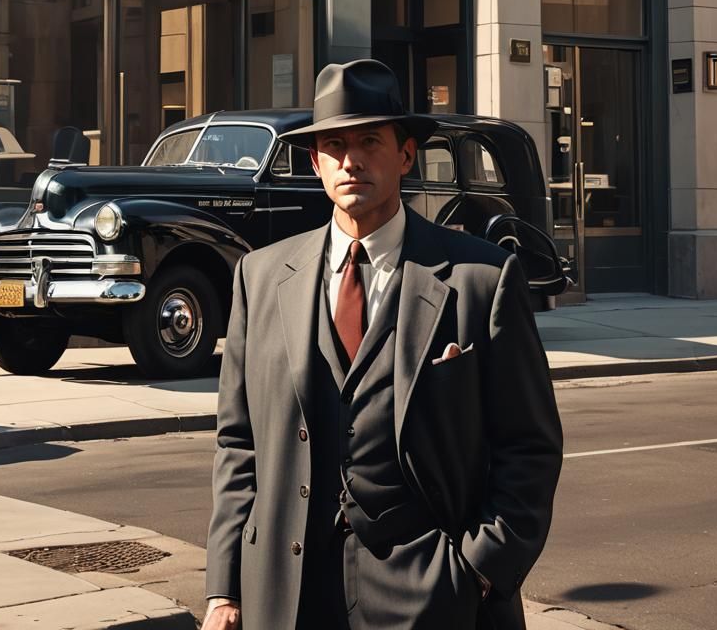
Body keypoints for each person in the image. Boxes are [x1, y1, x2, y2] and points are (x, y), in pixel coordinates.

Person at [204, 59, 562, 630]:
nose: (352, 160)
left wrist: (475, 571)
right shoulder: (260, 277)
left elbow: (530, 447)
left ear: (405, 154)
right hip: (288, 593)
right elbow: (238, 445)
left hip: (432, 597)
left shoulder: (482, 279)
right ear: (316, 160)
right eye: (334, 144)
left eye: (370, 140)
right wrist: (224, 588)